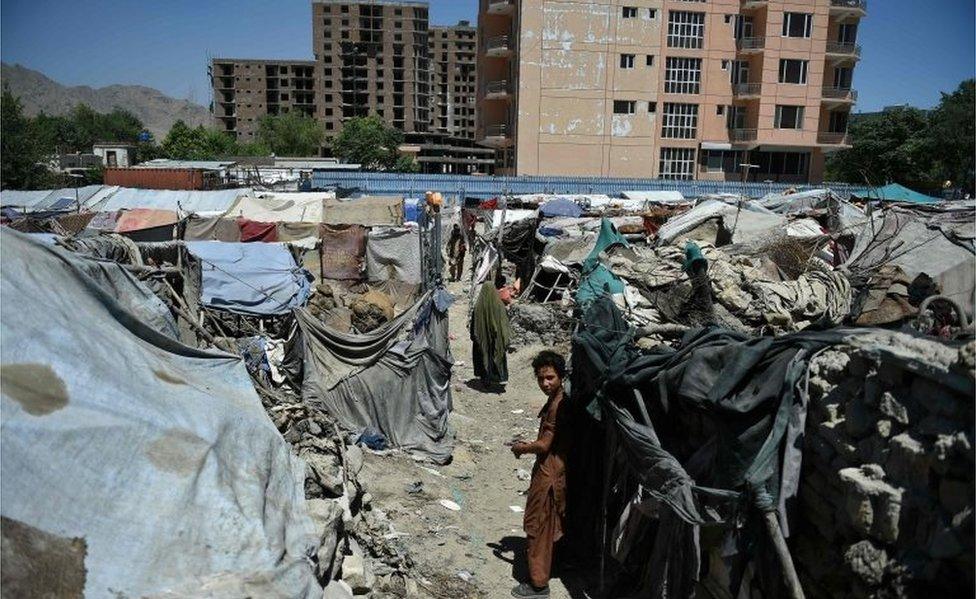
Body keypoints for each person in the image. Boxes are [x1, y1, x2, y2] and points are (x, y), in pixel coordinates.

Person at [509, 351, 569, 598]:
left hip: (549, 475)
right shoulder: (559, 399)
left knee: (538, 528)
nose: (545, 383)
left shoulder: (557, 406)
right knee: (547, 525)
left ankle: (538, 584)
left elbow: (544, 445)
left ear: (560, 377)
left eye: (550, 378)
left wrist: (522, 448)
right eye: (541, 378)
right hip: (555, 470)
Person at [471, 278, 511, 389]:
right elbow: (504, 324)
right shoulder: (500, 306)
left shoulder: (478, 307)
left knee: (483, 356)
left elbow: (474, 326)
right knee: (496, 354)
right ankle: (497, 377)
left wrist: (475, 338)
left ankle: (485, 378)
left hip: (482, 339)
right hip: (496, 339)